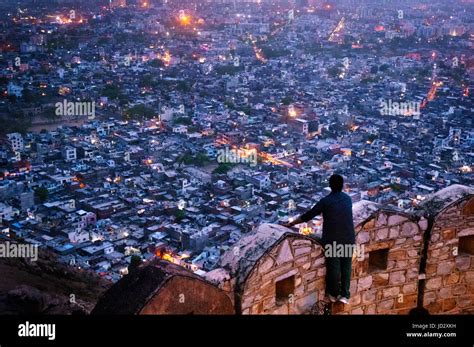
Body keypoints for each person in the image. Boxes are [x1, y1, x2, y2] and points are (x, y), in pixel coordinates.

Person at [282, 174, 355, 304]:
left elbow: (309, 215)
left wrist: (291, 224)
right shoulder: (348, 199)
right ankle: (345, 295)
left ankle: (333, 294)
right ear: (342, 185)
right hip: (348, 237)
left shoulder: (325, 201)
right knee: (346, 266)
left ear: (330, 186)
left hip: (333, 239)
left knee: (334, 267)